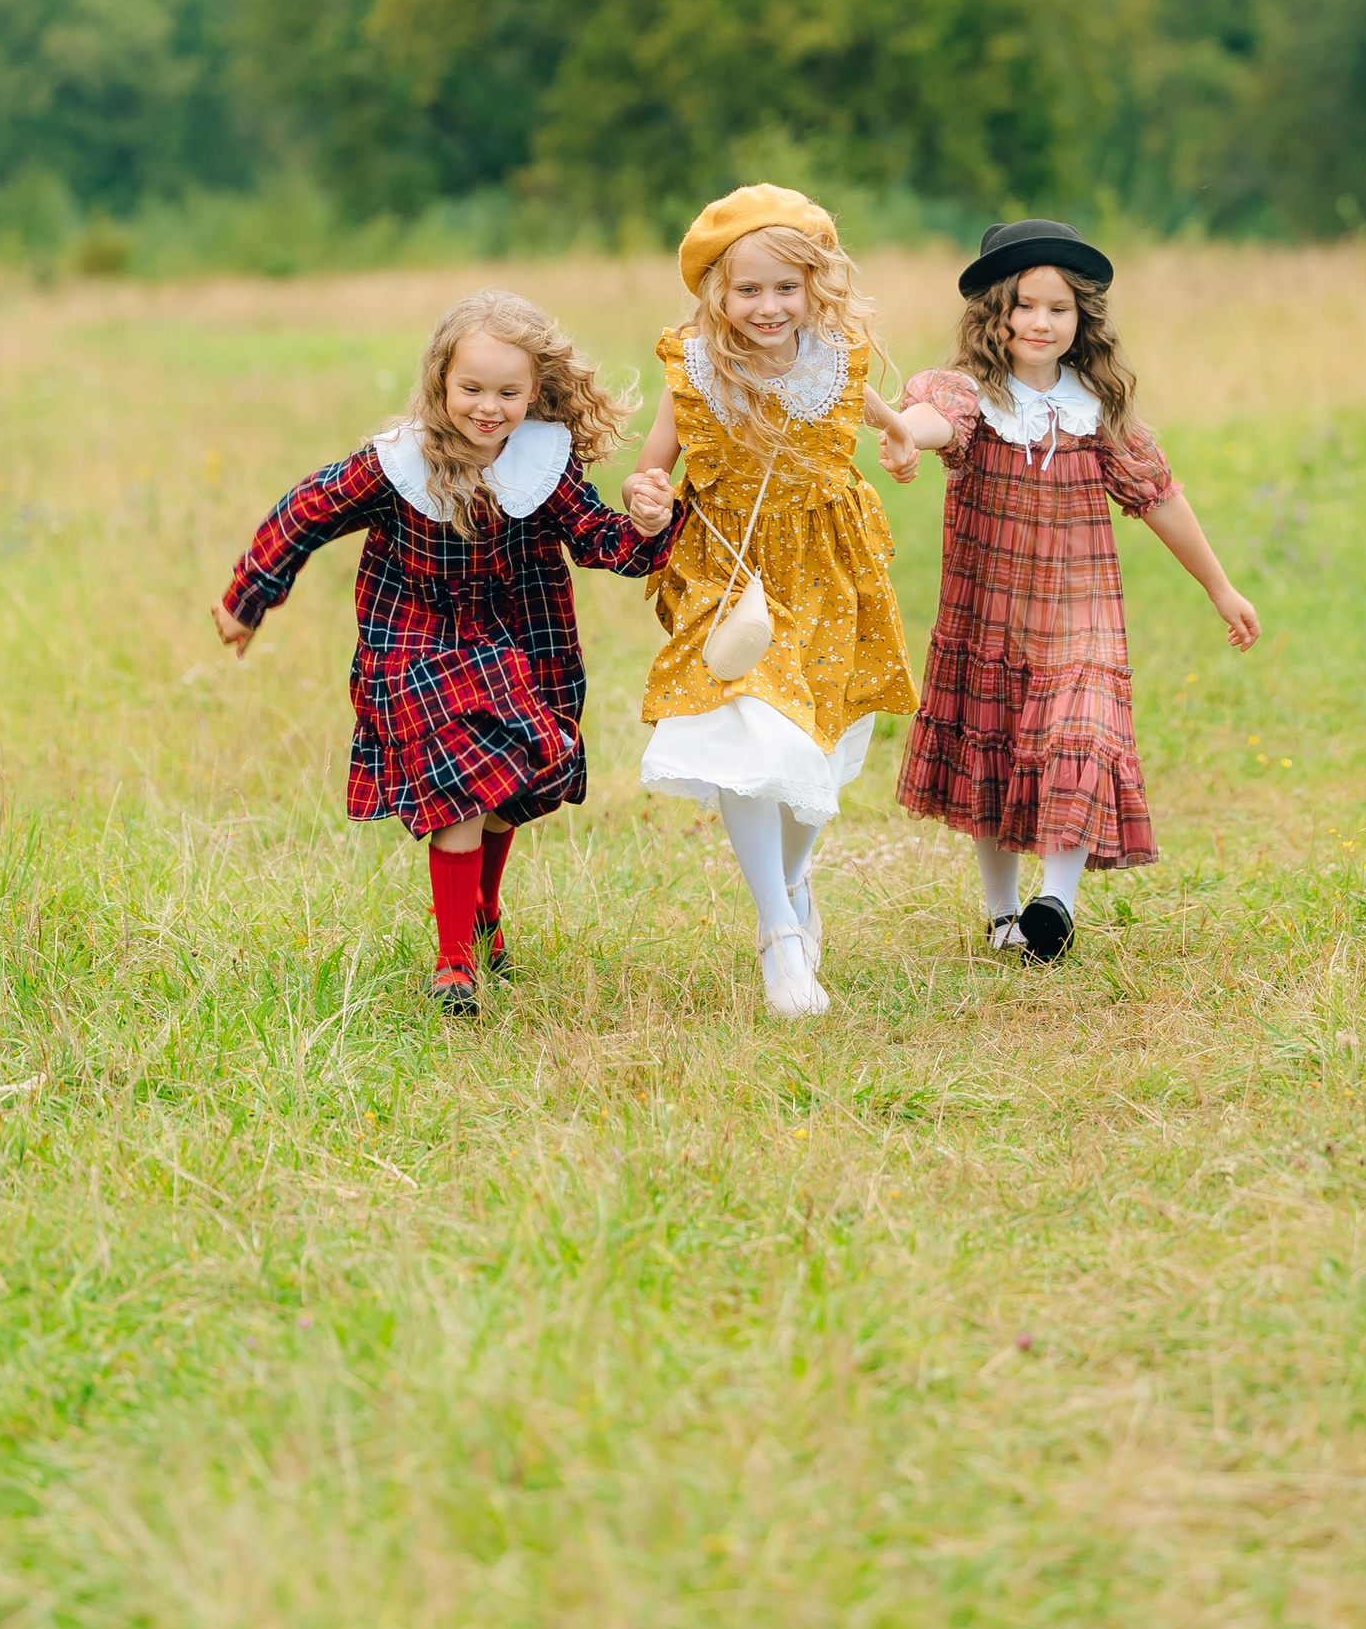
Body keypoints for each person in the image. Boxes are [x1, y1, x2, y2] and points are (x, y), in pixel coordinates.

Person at [213, 291, 676, 1016]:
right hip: (419, 644)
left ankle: (485, 911)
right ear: (440, 382)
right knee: (463, 788)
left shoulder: (542, 466)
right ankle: (453, 959)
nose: (487, 408)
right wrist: (248, 596)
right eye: (471, 389)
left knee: (506, 797)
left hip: (523, 644)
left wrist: (650, 524)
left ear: (535, 391)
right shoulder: (398, 464)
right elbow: (306, 510)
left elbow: (602, 543)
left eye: (507, 392)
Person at [888, 217, 1258, 960]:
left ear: (1081, 318)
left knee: (1083, 734)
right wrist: (903, 432)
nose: (1041, 322)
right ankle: (1002, 916)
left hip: (1080, 613)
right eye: (1025, 305)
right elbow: (932, 420)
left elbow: (1159, 498)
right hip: (988, 612)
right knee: (990, 757)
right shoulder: (969, 393)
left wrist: (1220, 588)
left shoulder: (1098, 408)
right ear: (996, 311)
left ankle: (1055, 899)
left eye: (1059, 309)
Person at [624, 185, 918, 1022]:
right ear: (717, 293)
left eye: (785, 288)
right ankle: (778, 931)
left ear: (815, 286)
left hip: (832, 570)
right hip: (729, 573)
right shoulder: (694, 368)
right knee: (749, 724)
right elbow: (651, 468)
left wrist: (897, 432)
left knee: (815, 743)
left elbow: (864, 406)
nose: (768, 306)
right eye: (748, 290)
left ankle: (792, 878)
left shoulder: (837, 355)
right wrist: (647, 498)